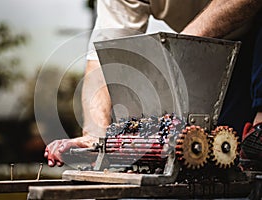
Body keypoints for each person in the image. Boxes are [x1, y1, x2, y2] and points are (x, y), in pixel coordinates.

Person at [44, 0, 262, 167]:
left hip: (251, 41)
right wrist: (95, 135)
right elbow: (104, 60)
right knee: (214, 159)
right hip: (209, 58)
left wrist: (178, 48)